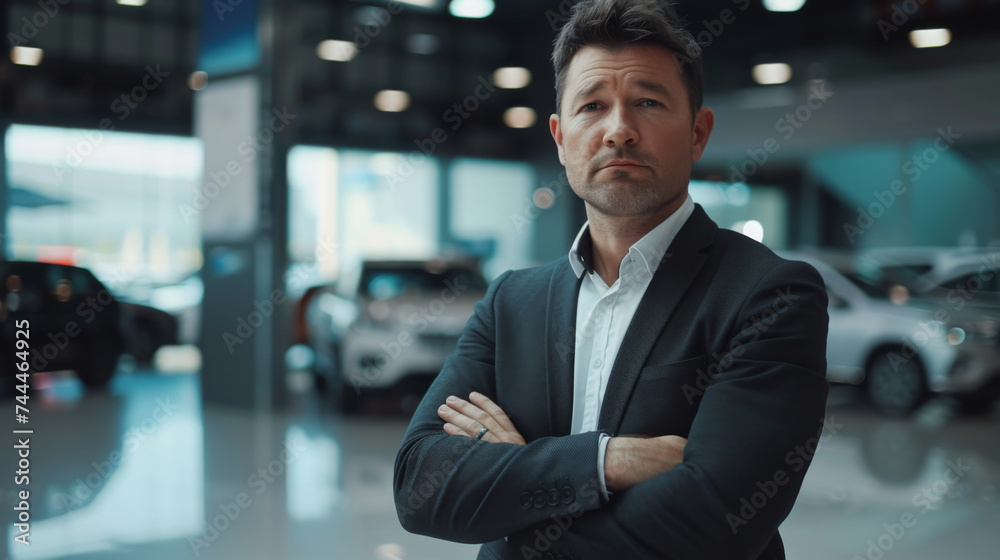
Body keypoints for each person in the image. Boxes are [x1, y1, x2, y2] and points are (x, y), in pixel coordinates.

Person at [393, 1, 829, 558]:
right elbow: (420, 487)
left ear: (698, 133)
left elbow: (714, 523)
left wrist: (517, 492)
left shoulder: (768, 295)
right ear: (559, 136)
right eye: (592, 106)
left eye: (647, 102)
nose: (619, 130)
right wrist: (606, 460)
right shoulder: (511, 302)